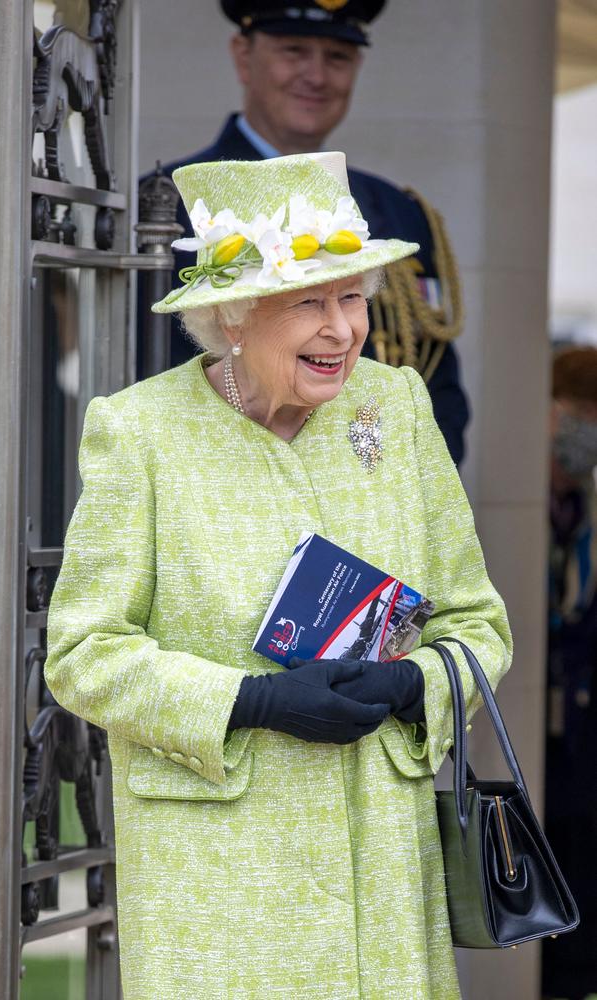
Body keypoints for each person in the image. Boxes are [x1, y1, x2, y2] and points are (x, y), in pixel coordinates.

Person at [46, 152, 511, 999]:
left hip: (384, 872)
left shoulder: (394, 408)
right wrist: (252, 702)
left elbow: (479, 627)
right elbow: (84, 653)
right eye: (309, 303)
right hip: (221, 889)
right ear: (232, 315)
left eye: (352, 296)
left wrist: (413, 685)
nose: (343, 330)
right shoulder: (141, 431)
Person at [144, 0, 470, 465]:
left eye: (337, 57)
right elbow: (153, 371)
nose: (316, 76)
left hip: (377, 489)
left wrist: (402, 485)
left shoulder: (399, 211)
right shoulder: (171, 206)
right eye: (293, 50)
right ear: (243, 55)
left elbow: (439, 386)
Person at [543, 347, 597, 1000]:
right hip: (536, 739)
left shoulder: (585, 514)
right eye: (581, 412)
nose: (587, 428)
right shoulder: (519, 510)